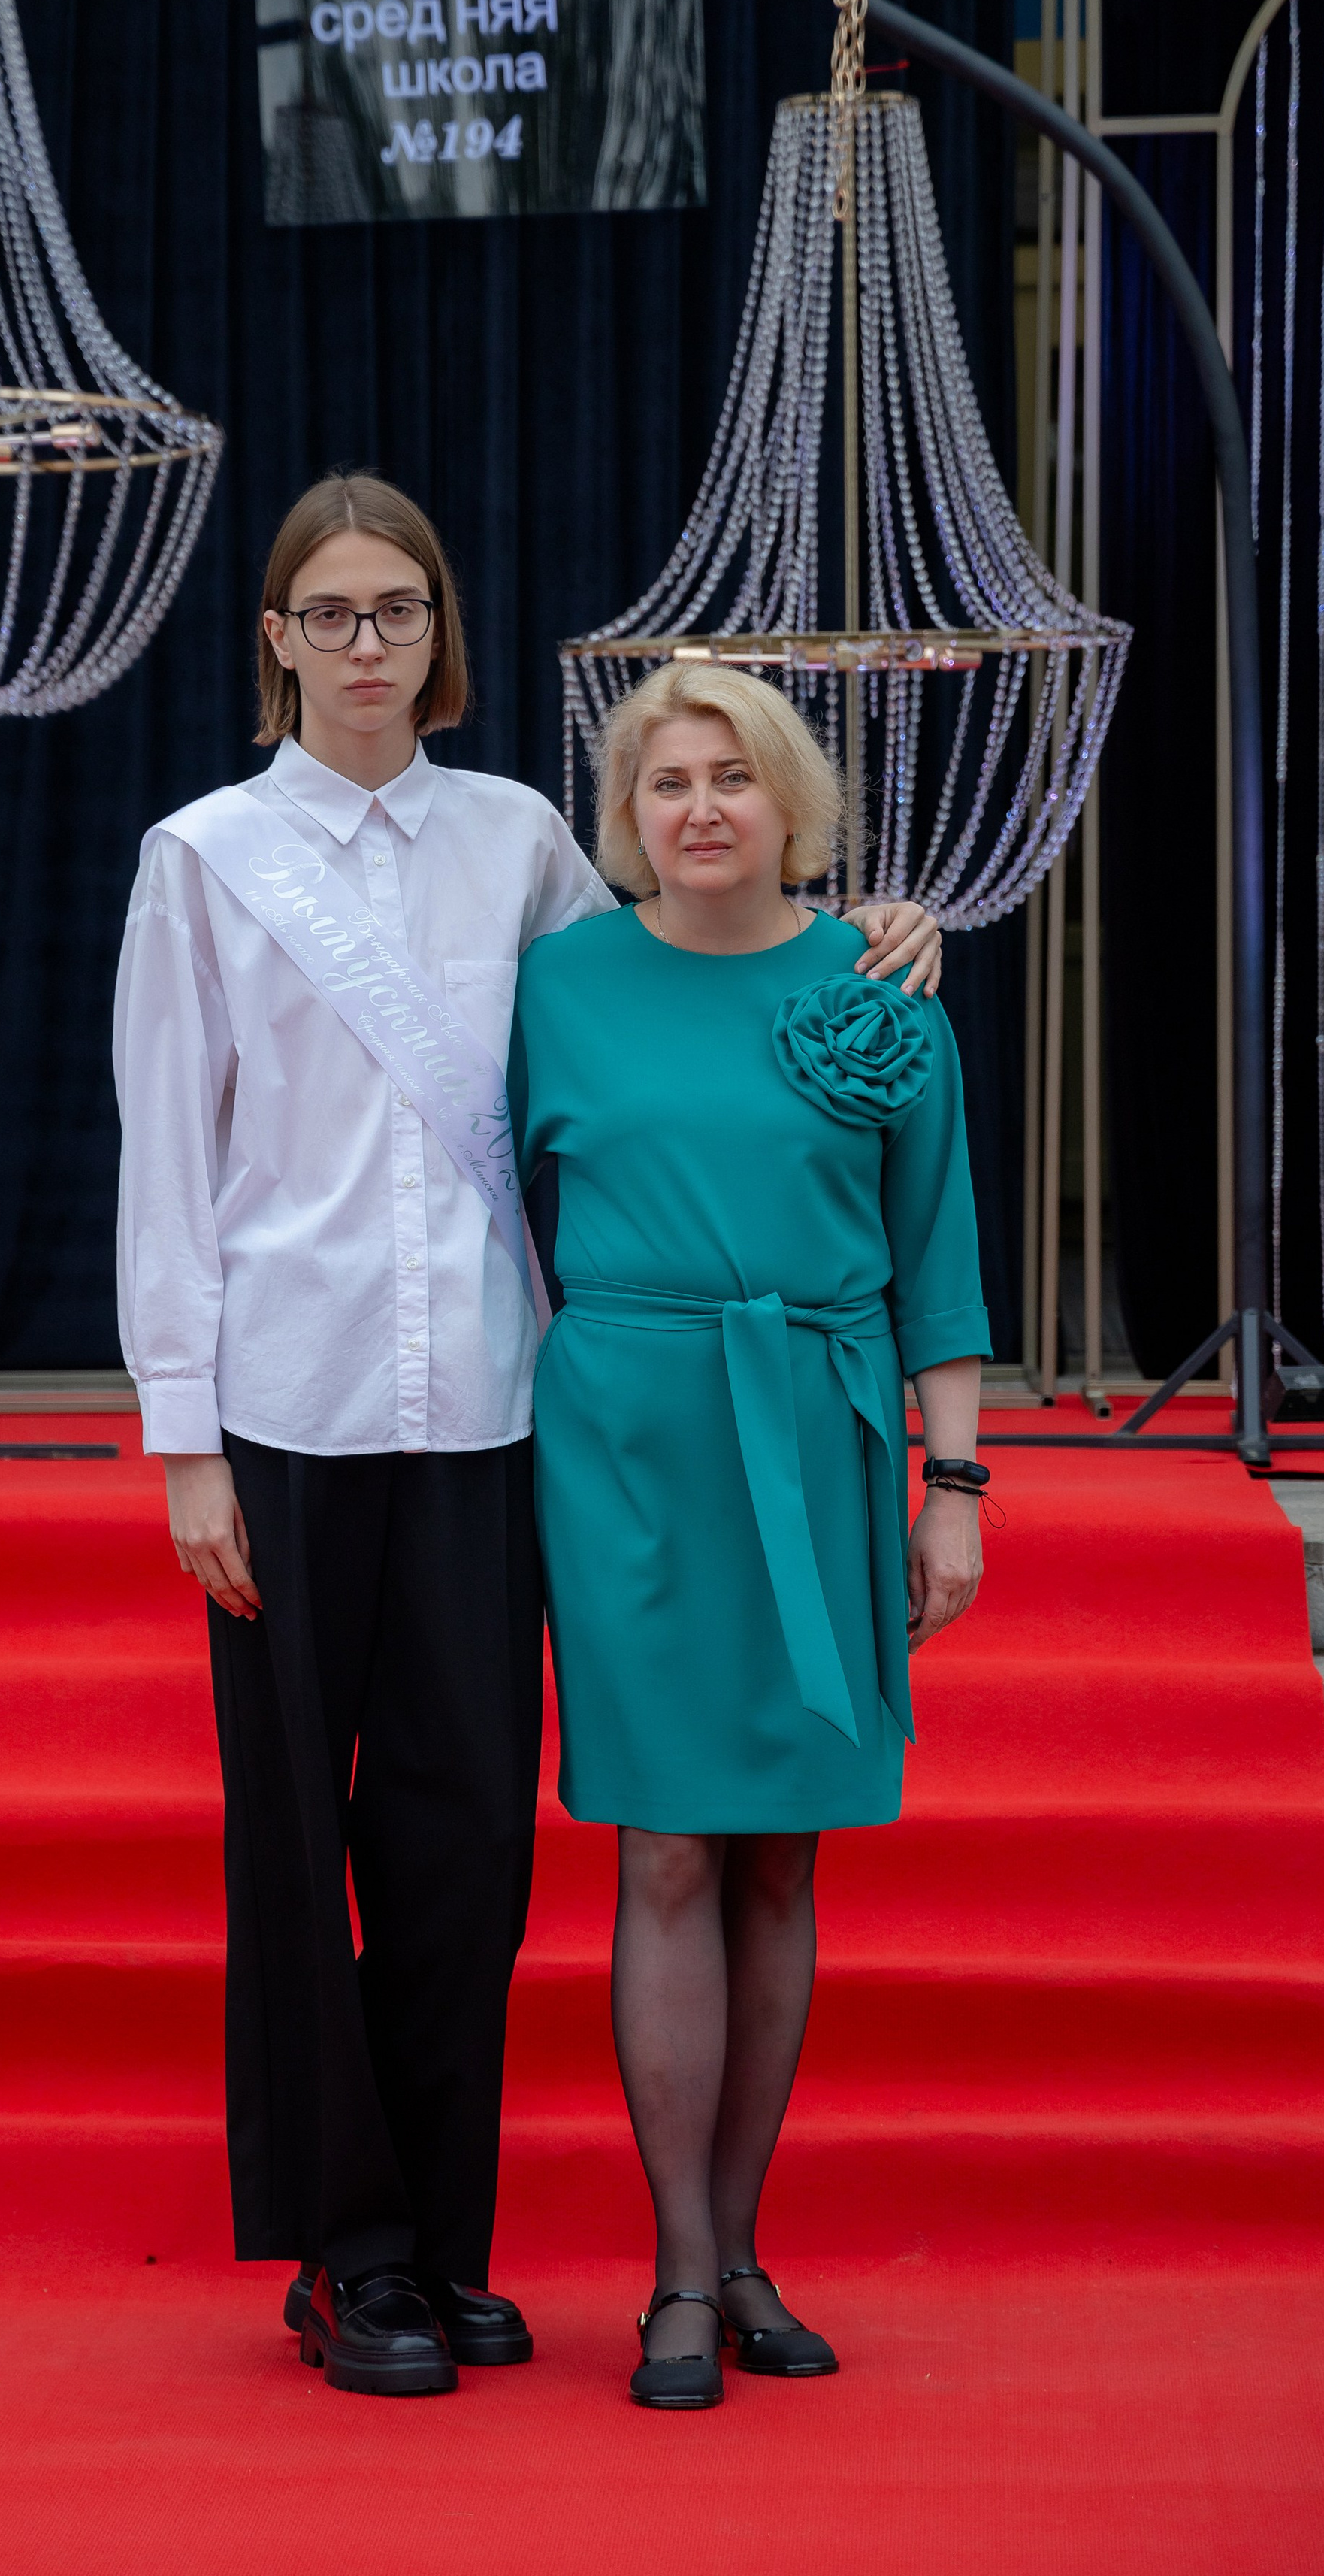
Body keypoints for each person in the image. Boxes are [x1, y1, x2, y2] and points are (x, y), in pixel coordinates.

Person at [113, 471, 943, 2397]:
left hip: (491, 1407)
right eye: (331, 613)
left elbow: (685, 969)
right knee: (294, 1839)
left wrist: (871, 930)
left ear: (440, 634)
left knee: (469, 1839)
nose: (368, 644)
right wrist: (181, 1440)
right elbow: (167, 1161)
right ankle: (346, 2258)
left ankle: (445, 2248)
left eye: (399, 609)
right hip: (287, 1404)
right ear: (276, 640)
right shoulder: (204, 858)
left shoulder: (515, 844)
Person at [509, 659, 987, 2411]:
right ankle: (674, 2272)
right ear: (625, 817)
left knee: (782, 1854)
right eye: (665, 783)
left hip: (818, 1425)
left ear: (790, 802)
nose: (698, 808)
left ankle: (740, 2253)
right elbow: (475, 1205)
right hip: (626, 1446)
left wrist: (953, 1490)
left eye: (730, 777)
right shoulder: (554, 986)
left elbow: (935, 1258)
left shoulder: (879, 987)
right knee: (663, 1850)